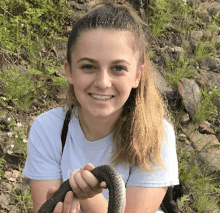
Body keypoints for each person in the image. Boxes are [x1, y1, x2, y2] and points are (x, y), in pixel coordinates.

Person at [22, 1, 179, 212]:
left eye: (118, 68)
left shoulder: (157, 135)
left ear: (137, 75)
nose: (103, 82)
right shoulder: (47, 128)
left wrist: (87, 199)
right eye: (88, 66)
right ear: (69, 71)